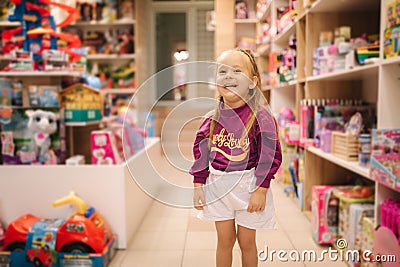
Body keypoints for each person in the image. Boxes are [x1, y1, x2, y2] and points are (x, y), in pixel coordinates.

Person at [189, 48, 282, 267]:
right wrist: (198, 185)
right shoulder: (212, 118)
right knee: (225, 240)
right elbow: (200, 153)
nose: (229, 76)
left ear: (252, 82)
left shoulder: (261, 117)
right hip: (218, 186)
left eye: (237, 71)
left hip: (249, 187)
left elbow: (270, 156)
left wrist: (261, 190)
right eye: (223, 71)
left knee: (246, 242)